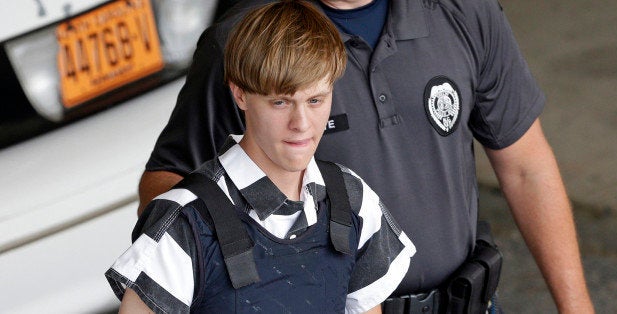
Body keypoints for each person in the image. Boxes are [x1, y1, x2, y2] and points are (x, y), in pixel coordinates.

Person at [138, 0, 594, 312]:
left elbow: (526, 167)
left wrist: (577, 308)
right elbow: (168, 183)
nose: (299, 119)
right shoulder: (253, 36)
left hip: (468, 301)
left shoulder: (463, 11)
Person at [106, 1, 415, 313]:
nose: (301, 124)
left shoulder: (353, 200)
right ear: (240, 94)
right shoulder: (185, 223)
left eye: (316, 100)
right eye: (280, 102)